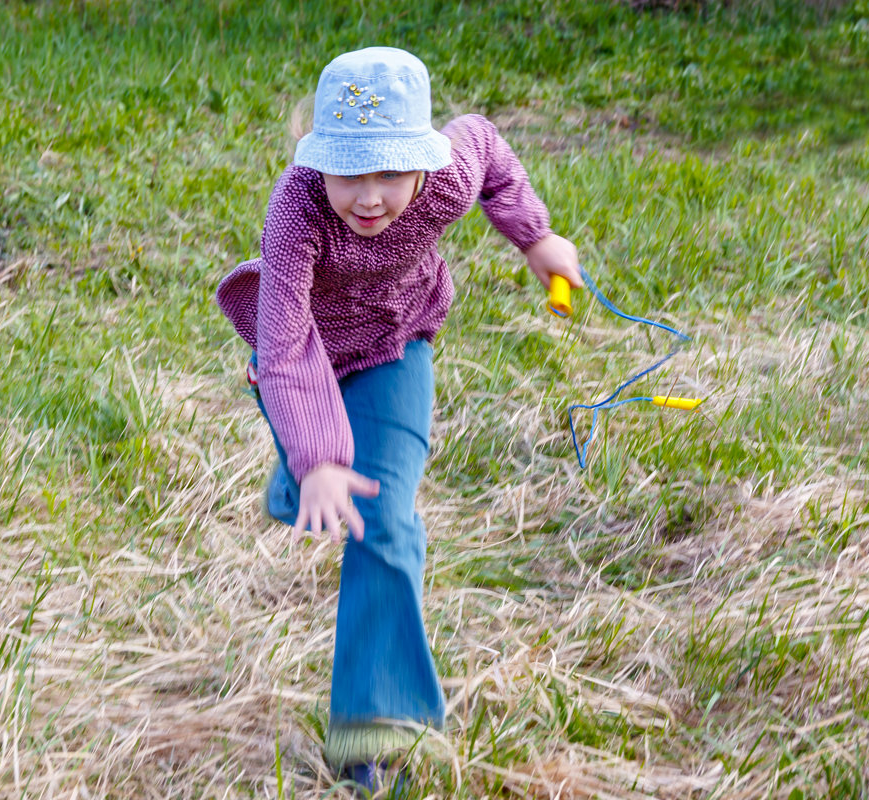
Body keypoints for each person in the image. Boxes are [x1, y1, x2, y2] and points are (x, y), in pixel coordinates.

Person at [215, 46, 581, 790]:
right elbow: (284, 345)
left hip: (395, 347)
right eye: (351, 172)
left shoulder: (449, 174)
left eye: (390, 172)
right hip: (303, 357)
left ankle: (372, 729)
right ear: (320, 163)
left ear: (422, 160)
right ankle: (309, 475)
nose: (371, 196)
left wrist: (536, 237)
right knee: (327, 470)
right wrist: (317, 457)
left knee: (383, 518)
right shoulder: (298, 208)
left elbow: (490, 145)